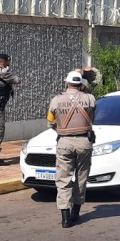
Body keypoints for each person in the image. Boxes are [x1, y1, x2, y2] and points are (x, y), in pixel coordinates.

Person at [47, 71, 96, 228]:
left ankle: (65, 218)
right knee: (81, 177)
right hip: (84, 142)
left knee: (63, 179)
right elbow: (92, 116)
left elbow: (50, 122)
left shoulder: (56, 100)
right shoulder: (89, 98)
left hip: (64, 142)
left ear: (66, 83)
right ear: (81, 84)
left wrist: (63, 131)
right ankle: (76, 212)